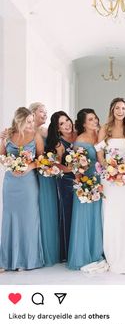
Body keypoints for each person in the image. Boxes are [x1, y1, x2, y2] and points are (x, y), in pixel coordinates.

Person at [96, 98, 125, 274]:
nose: (120, 111)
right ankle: (112, 254)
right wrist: (108, 168)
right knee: (110, 213)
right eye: (117, 108)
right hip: (109, 178)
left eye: (123, 108)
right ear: (112, 110)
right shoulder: (105, 129)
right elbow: (99, 152)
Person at [0, 107, 44, 270]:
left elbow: (42, 160)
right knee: (10, 219)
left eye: (33, 121)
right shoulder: (8, 135)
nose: (32, 125)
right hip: (11, 183)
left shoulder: (36, 136)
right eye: (28, 122)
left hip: (28, 183)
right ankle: (8, 260)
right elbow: (2, 156)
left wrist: (28, 167)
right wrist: (10, 165)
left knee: (29, 219)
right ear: (19, 121)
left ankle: (27, 260)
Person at [68, 108, 107, 272]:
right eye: (90, 119)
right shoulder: (80, 140)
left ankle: (96, 252)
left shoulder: (100, 135)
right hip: (85, 182)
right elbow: (77, 166)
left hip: (99, 181)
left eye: (95, 118)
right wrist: (82, 184)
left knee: (97, 216)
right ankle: (82, 255)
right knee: (84, 217)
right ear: (83, 124)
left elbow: (104, 157)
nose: (95, 121)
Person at [29, 103, 60, 267]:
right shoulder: (27, 131)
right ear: (33, 113)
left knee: (47, 210)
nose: (45, 114)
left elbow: (52, 150)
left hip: (46, 175)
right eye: (42, 111)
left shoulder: (46, 131)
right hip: (31, 175)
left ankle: (49, 251)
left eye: (46, 112)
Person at [46, 111, 77, 261]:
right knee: (69, 213)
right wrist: (72, 169)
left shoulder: (78, 135)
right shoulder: (59, 143)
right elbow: (56, 164)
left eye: (67, 120)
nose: (67, 125)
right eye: (62, 124)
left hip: (82, 178)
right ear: (58, 128)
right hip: (66, 181)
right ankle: (67, 251)